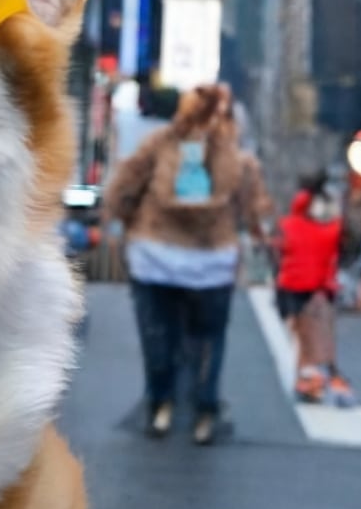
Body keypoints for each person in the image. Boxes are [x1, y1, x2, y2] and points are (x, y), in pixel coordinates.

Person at [103, 82, 273, 444]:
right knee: (210, 337)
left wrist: (124, 221)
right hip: (213, 260)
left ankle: (160, 405)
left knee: (157, 335)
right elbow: (254, 208)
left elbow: (123, 188)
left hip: (154, 255)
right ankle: (204, 409)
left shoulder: (160, 143)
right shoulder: (237, 157)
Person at [274, 169, 355, 406]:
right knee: (311, 337)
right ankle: (311, 379)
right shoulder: (328, 230)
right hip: (311, 290)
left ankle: (308, 379)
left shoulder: (289, 226)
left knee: (304, 336)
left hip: (293, 289)